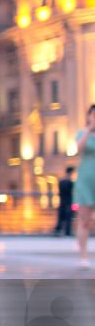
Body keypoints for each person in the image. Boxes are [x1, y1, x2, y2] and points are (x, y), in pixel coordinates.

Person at [75, 105, 95, 268]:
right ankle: (83, 255)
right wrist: (90, 129)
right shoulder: (83, 132)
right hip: (86, 179)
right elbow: (79, 148)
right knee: (84, 219)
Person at [54, 166, 75, 237]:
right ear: (71, 172)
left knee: (61, 216)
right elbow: (73, 192)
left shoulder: (61, 181)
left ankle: (58, 230)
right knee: (69, 216)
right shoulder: (70, 182)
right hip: (69, 202)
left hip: (62, 201)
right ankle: (67, 232)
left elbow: (59, 192)